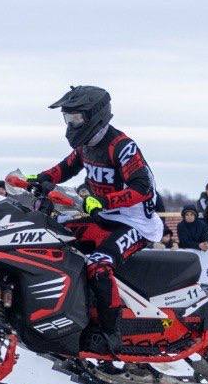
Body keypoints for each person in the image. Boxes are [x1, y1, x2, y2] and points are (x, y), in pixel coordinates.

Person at [29, 86, 163, 356]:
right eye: (67, 120)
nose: (70, 125)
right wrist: (40, 178)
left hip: (134, 223)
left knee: (99, 265)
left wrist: (105, 201)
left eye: (75, 119)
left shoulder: (121, 146)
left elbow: (143, 187)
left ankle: (111, 332)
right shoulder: (85, 146)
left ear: (94, 116)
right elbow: (65, 168)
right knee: (53, 236)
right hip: (102, 216)